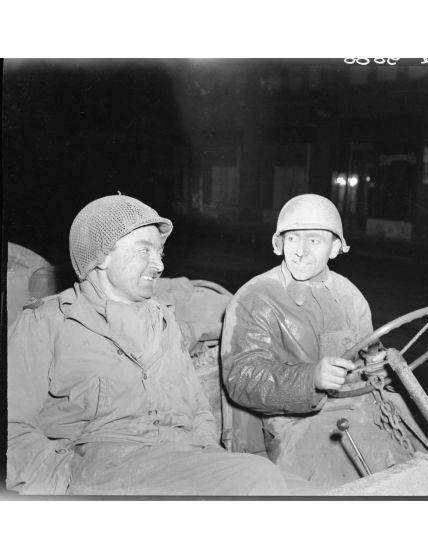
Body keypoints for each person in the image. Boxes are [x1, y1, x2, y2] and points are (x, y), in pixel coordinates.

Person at [7, 194, 289, 496]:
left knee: (299, 490)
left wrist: (209, 454)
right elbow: (12, 427)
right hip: (102, 467)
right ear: (102, 256)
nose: (158, 264)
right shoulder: (47, 322)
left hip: (181, 459)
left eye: (160, 253)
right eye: (145, 250)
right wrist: (59, 491)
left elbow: (197, 410)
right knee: (258, 479)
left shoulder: (163, 319)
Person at [221, 194, 428, 490]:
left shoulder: (348, 294)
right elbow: (241, 378)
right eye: (292, 239)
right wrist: (311, 379)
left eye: (314, 241)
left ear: (334, 248)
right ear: (279, 243)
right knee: (394, 468)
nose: (301, 252)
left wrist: (379, 366)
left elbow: (369, 360)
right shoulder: (257, 297)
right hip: (302, 426)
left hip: (370, 406)